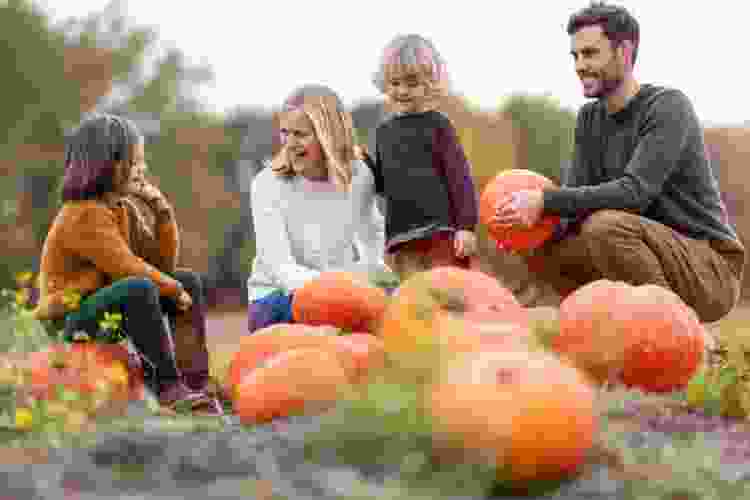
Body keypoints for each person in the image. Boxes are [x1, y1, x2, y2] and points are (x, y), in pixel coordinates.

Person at [492, 2, 746, 324]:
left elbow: (635, 192)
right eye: (575, 56)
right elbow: (574, 206)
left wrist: (544, 200)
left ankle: (682, 334)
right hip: (633, 250)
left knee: (605, 227)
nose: (580, 66)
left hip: (709, 266)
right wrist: (526, 231)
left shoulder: (667, 107)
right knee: (543, 245)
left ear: (623, 52)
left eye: (590, 53)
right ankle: (601, 332)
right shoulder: (589, 118)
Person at [32, 113, 222, 415]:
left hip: (106, 308)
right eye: (137, 162)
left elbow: (160, 265)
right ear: (111, 164)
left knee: (184, 281)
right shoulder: (83, 214)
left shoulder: (122, 209)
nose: (143, 170)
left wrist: (161, 212)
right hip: (70, 323)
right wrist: (169, 288)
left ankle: (195, 382)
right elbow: (127, 267)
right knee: (139, 287)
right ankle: (169, 388)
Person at [246, 84, 388, 334]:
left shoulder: (359, 175)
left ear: (329, 135)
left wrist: (372, 281)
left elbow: (372, 238)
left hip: (342, 289)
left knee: (392, 305)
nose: (289, 143)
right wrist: (340, 289)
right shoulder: (267, 185)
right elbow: (281, 269)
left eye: (300, 134)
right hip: (279, 298)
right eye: (284, 132)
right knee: (336, 318)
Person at [357, 33, 479, 282]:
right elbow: (384, 186)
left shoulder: (439, 126)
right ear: (384, 83)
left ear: (429, 83)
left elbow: (460, 180)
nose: (402, 90)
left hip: (442, 236)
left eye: (411, 83)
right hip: (402, 240)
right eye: (395, 83)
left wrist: (466, 227)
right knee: (414, 304)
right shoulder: (384, 132)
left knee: (449, 296)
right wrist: (364, 163)